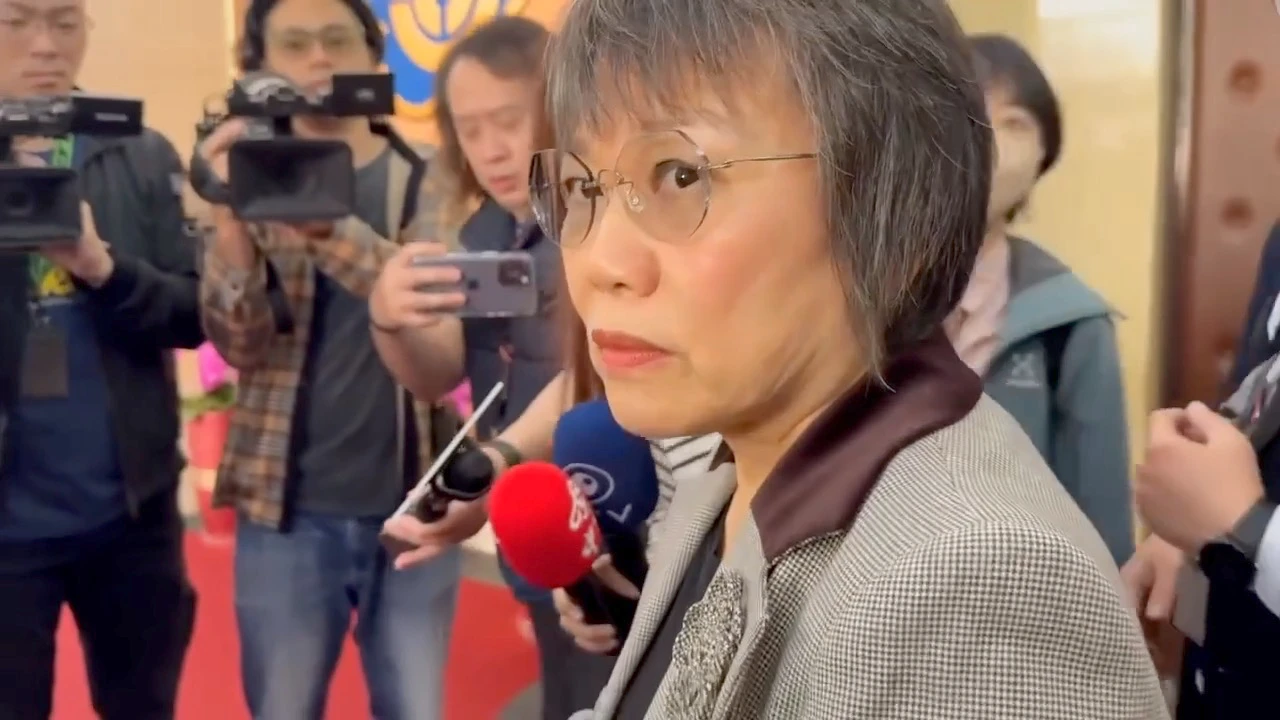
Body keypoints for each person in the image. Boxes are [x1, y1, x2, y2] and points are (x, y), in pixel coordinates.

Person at [533, 0, 1168, 716]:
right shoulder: (732, 467)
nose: (602, 263)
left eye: (681, 176)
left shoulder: (969, 581)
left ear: (896, 211)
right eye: (584, 187)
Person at [194, 0, 471, 717]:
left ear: (373, 54)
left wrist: (324, 225)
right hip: (282, 512)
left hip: (412, 504)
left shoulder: (428, 174)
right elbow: (238, 345)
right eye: (295, 44)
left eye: (337, 39)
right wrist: (229, 221)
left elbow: (430, 304)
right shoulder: (247, 179)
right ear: (259, 67)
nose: (319, 58)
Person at [372, 17, 621, 719]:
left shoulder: (607, 225)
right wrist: (389, 319)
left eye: (508, 121)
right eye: (470, 129)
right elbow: (438, 374)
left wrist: (501, 460)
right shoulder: (482, 233)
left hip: (616, 531)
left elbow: (601, 376)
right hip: (527, 532)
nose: (491, 149)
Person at [0, 0, 202, 717]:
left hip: (130, 515)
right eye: (16, 21)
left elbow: (194, 313)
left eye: (64, 22)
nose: (44, 45)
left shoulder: (138, 151)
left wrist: (101, 269)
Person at [958, 34, 1133, 563]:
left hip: (1019, 593)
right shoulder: (860, 299)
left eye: (1016, 123)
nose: (992, 142)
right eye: (972, 115)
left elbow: (1102, 522)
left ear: (1043, 155)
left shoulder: (1072, 324)